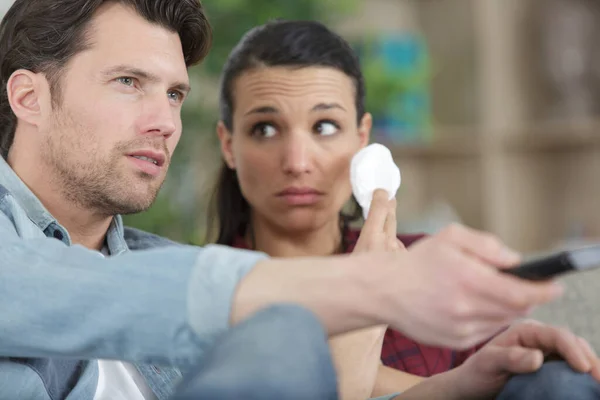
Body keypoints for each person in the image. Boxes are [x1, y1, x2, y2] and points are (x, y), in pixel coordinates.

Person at [0, 1, 597, 399]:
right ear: (29, 97)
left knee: (549, 383)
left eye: (176, 94)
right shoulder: (48, 262)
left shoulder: (150, 261)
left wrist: (468, 382)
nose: (164, 121)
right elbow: (71, 292)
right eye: (129, 82)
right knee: (283, 333)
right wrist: (380, 285)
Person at [207, 18, 600, 399]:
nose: (297, 161)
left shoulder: (425, 261)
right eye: (265, 129)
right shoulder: (204, 291)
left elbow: (513, 375)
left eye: (325, 126)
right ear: (228, 145)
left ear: (362, 139)